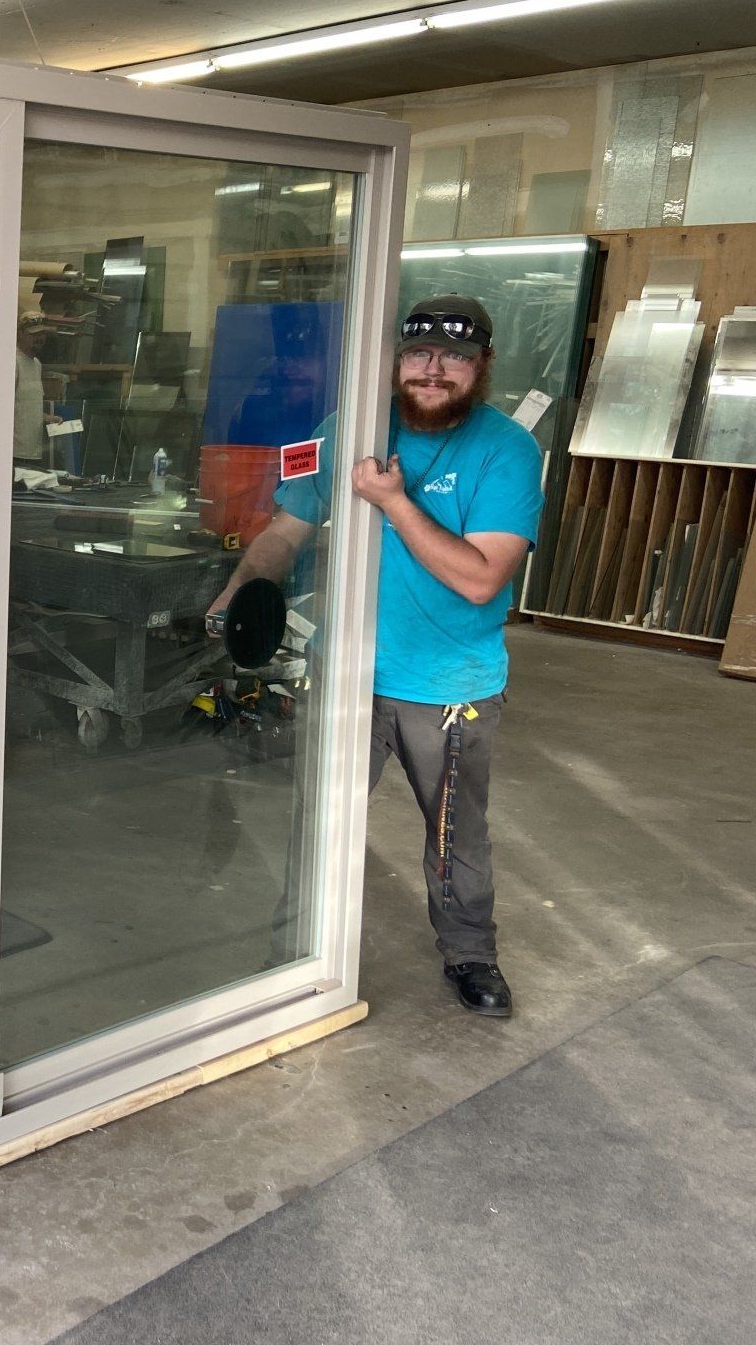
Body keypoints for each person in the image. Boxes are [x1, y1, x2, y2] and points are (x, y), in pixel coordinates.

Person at [210, 295, 543, 1017]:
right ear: (395, 360)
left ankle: (469, 952)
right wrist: (240, 593)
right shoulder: (346, 433)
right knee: (319, 818)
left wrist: (391, 502)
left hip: (451, 685)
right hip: (349, 672)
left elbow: (482, 576)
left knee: (455, 832)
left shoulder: (506, 450)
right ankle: (296, 948)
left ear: (480, 367)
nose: (433, 370)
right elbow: (285, 531)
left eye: (454, 357)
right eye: (419, 353)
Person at [13, 310, 61, 468]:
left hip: (34, 451)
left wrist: (47, 418)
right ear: (20, 333)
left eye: (42, 334)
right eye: (33, 334)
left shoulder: (36, 364)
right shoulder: (12, 361)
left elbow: (26, 404)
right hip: (15, 453)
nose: (40, 339)